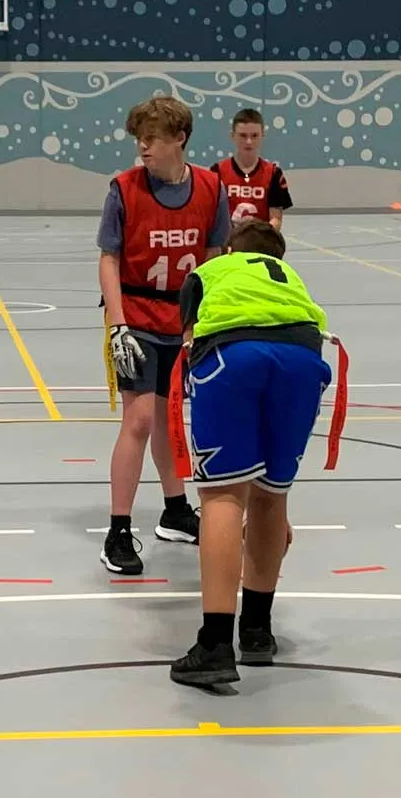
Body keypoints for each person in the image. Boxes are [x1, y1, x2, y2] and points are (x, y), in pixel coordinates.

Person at [168, 218, 332, 686]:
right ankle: (257, 631)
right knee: (271, 495)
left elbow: (189, 334)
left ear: (229, 249)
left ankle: (216, 642)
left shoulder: (213, 271)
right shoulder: (288, 280)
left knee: (222, 496)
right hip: (304, 359)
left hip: (232, 355)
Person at [97, 94, 231, 576]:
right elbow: (109, 258)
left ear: (180, 139)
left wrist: (206, 322)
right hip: (135, 319)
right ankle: (118, 529)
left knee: (169, 417)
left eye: (151, 139)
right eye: (138, 140)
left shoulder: (212, 189)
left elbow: (215, 258)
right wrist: (117, 323)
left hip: (184, 323)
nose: (143, 149)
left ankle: (175, 511)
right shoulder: (124, 189)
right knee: (137, 421)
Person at [211, 108, 293, 228]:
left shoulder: (274, 174)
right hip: (227, 244)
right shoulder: (217, 172)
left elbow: (275, 221)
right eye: (243, 135)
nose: (249, 141)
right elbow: (211, 217)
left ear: (262, 135)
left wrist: (256, 227)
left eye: (254, 136)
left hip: (261, 244)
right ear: (232, 136)